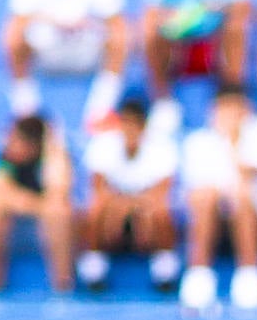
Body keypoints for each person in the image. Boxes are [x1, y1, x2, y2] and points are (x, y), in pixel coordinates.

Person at [1, 0, 126, 127]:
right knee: (11, 37)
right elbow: (15, 25)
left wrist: (90, 23)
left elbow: (118, 23)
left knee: (123, 37)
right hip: (47, 54)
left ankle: (101, 109)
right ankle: (26, 109)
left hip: (87, 53)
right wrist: (51, 20)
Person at [177, 83, 257, 313]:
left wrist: (233, 142)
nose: (230, 115)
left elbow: (251, 176)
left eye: (236, 109)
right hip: (211, 220)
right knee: (206, 198)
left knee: (243, 196)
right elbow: (195, 192)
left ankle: (249, 274)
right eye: (224, 109)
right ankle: (199, 276)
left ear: (248, 110)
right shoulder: (197, 142)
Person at [78, 96, 181, 292]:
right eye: (125, 123)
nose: (129, 130)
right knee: (95, 207)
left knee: (160, 210)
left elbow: (162, 192)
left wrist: (127, 207)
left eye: (135, 124)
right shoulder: (103, 144)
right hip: (116, 211)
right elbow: (98, 188)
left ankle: (165, 268)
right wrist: (122, 208)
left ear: (144, 127)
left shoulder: (163, 147)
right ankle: (94, 266)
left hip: (146, 213)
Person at [0, 114, 74, 295]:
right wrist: (36, 204)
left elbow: (58, 193)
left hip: (46, 221)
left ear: (32, 144)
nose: (8, 142)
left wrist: (53, 151)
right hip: (15, 220)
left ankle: (62, 285)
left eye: (14, 138)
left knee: (59, 212)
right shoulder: (4, 158)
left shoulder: (52, 158)